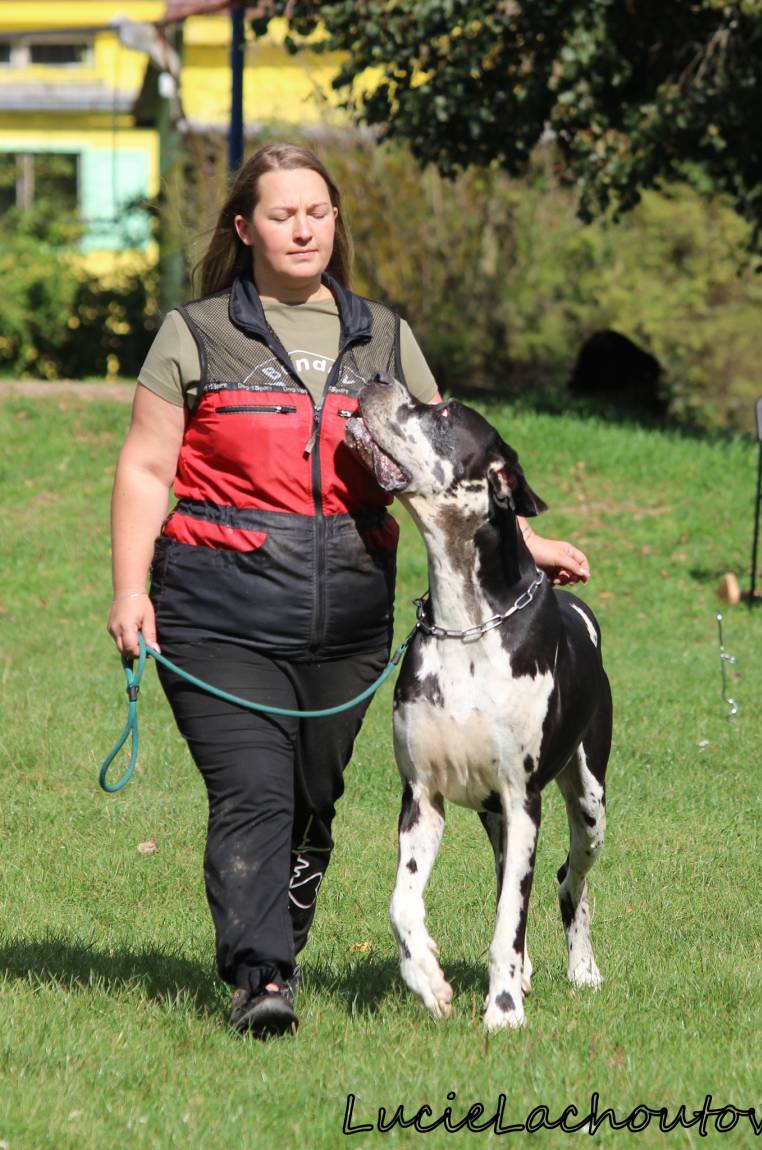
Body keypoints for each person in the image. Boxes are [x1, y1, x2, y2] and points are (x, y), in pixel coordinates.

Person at [107, 142, 590, 1038]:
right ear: (244, 228)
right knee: (254, 792)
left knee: (312, 799)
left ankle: (276, 942)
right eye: (282, 213)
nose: (303, 228)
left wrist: (527, 535)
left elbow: (452, 461)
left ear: (335, 224)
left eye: (318, 212)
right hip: (218, 611)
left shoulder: (382, 334)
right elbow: (144, 468)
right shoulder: (198, 332)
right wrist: (131, 588)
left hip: (350, 621)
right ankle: (262, 979)